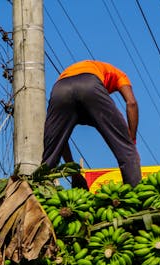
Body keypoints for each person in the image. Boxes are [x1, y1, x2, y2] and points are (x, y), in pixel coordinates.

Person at [42, 60, 140, 188]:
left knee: (52, 151)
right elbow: (131, 103)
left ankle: (39, 195)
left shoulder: (83, 68)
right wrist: (130, 140)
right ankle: (135, 193)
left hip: (61, 89)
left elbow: (61, 139)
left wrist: (74, 173)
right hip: (89, 85)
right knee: (126, 149)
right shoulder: (120, 75)